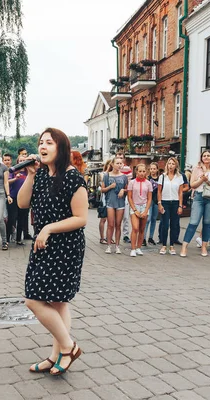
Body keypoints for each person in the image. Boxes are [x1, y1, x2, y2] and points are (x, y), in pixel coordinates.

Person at [19, 128, 87, 376]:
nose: (43, 146)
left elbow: (81, 218)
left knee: (33, 300)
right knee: (57, 302)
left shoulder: (73, 178)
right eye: (41, 142)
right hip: (43, 245)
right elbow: (22, 203)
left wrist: (48, 228)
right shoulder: (41, 176)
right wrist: (30, 175)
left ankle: (69, 348)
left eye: (49, 142)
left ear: (61, 147)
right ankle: (56, 355)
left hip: (65, 247)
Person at [180, 150, 210, 257]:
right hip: (199, 196)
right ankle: (184, 247)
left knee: (207, 223)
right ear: (201, 158)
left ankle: (204, 247)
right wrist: (201, 180)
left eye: (208, 156)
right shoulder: (196, 169)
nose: (206, 157)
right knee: (193, 222)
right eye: (204, 156)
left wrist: (208, 182)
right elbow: (192, 185)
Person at [157, 157, 185, 255]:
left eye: (173, 164)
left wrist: (180, 206)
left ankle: (172, 245)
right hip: (165, 202)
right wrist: (159, 203)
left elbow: (180, 192)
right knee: (165, 224)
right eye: (169, 163)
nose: (171, 166)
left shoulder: (179, 177)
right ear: (167, 165)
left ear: (176, 165)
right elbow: (159, 191)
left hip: (175, 202)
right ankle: (164, 245)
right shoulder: (162, 177)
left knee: (174, 224)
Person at [101, 157, 127, 254]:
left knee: (118, 225)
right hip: (110, 202)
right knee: (110, 225)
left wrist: (123, 190)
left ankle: (117, 246)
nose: (119, 165)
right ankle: (108, 245)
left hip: (120, 202)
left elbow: (127, 190)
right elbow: (102, 190)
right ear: (112, 164)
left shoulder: (124, 177)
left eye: (121, 163)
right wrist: (110, 187)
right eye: (117, 163)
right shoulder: (107, 176)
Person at [127, 164, 152, 256]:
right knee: (135, 227)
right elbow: (129, 197)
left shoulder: (148, 183)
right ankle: (133, 248)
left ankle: (138, 247)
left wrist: (146, 210)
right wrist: (134, 209)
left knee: (142, 228)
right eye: (140, 171)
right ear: (136, 172)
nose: (142, 173)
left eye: (143, 171)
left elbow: (149, 198)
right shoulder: (132, 183)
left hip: (144, 206)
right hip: (135, 206)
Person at [143, 162, 159, 246]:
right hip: (149, 200)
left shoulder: (160, 178)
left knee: (154, 219)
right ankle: (143, 238)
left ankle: (151, 237)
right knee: (148, 219)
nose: (152, 170)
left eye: (154, 169)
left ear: (157, 169)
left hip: (156, 200)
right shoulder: (147, 178)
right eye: (151, 169)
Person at [98, 159, 113, 245]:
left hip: (112, 199)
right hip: (104, 199)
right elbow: (100, 187)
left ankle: (109, 237)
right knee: (103, 219)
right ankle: (102, 237)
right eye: (110, 165)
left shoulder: (115, 175)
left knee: (111, 220)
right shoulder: (102, 174)